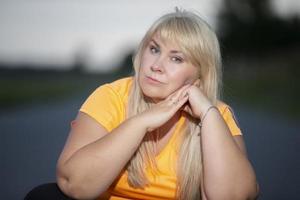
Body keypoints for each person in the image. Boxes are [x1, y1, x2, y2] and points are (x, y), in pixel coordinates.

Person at [54, 9, 259, 200]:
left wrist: (208, 114)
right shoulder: (111, 97)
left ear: (199, 77)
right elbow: (73, 183)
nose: (156, 66)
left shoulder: (217, 115)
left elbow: (235, 196)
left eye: (176, 59)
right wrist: (141, 123)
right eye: (154, 49)